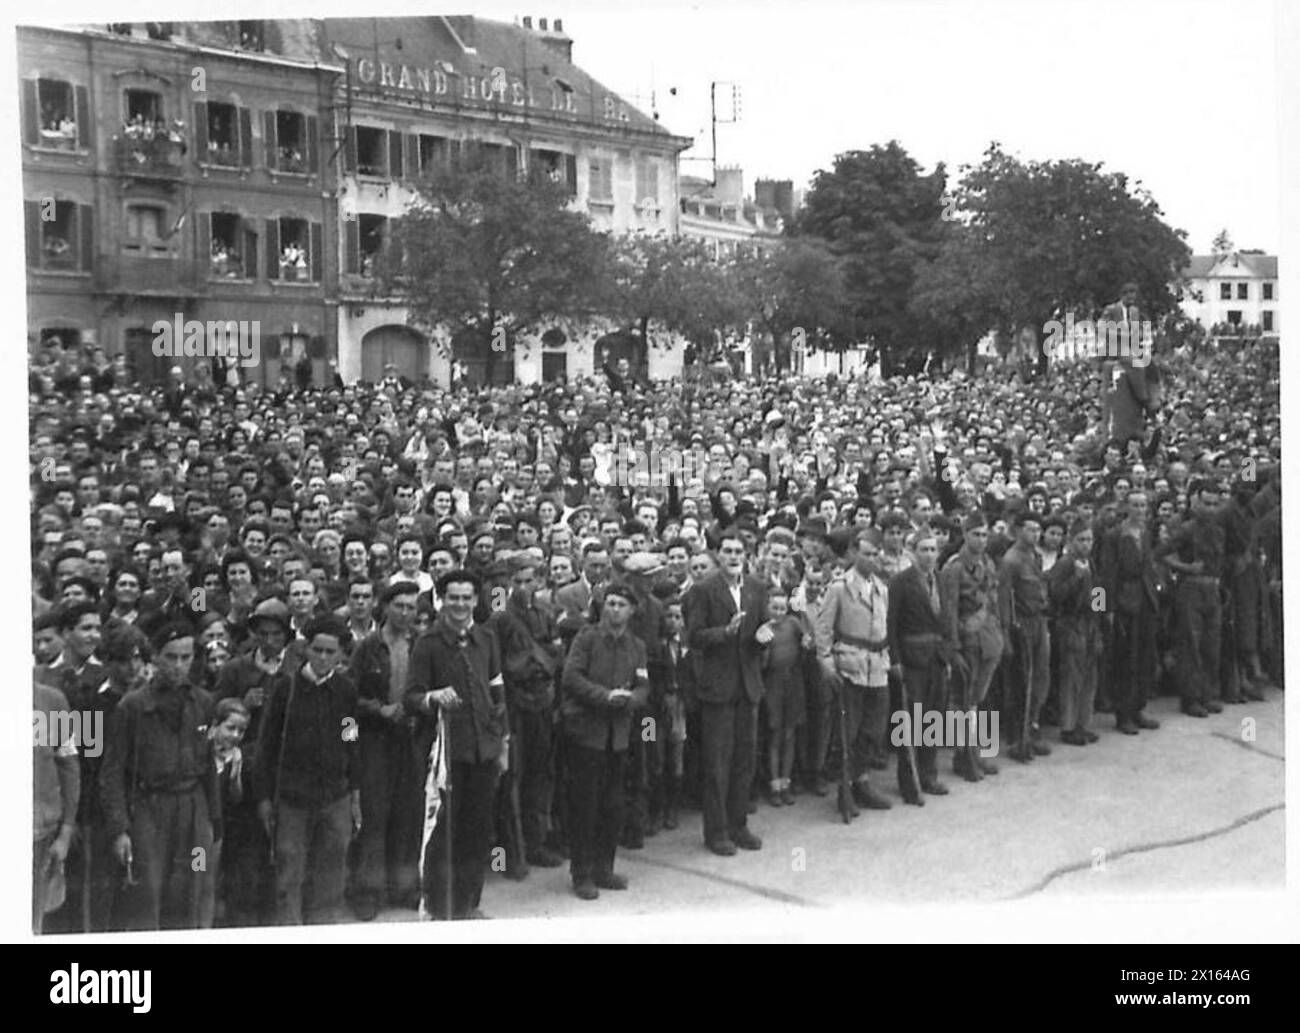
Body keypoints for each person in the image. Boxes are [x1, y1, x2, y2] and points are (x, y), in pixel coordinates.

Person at [99, 622, 220, 930]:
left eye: (186, 657)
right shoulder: (133, 706)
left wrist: (213, 820)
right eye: (171, 657)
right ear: (155, 658)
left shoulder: (203, 703)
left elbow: (209, 766)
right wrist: (120, 829)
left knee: (195, 883)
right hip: (150, 814)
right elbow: (112, 773)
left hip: (193, 811)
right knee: (149, 891)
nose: (179, 665)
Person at [405, 570, 507, 920]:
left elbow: (497, 691)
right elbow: (411, 697)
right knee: (443, 837)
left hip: (484, 751)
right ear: (441, 601)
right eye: (453, 598)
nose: (460, 605)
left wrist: (502, 744)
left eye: (466, 598)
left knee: (477, 833)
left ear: (476, 601)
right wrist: (433, 696)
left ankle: (467, 905)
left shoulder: (487, 638)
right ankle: (439, 908)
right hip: (447, 759)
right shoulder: (427, 643)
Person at [257, 615, 360, 925]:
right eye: (318, 650)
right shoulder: (285, 689)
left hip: (334, 797)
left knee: (331, 872)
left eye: (331, 652)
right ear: (306, 650)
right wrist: (264, 799)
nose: (324, 658)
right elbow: (266, 747)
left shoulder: (346, 691)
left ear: (341, 654)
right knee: (290, 870)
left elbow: (351, 741)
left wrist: (354, 796)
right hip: (292, 800)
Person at [560, 583, 650, 899]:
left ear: (631, 610)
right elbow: (571, 678)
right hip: (587, 734)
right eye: (610, 603)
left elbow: (643, 685)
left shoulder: (636, 645)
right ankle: (581, 873)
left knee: (612, 805)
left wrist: (630, 700)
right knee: (585, 805)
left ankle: (604, 868)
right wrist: (604, 696)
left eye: (621, 605)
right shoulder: (587, 638)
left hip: (619, 737)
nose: (615, 609)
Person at [685, 533, 767, 854]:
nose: (733, 556)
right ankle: (716, 832)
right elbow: (694, 637)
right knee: (717, 763)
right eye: (728, 551)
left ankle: (739, 825)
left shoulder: (756, 588)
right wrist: (724, 632)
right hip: (718, 688)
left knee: (744, 761)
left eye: (739, 551)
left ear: (746, 555)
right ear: (718, 556)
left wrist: (763, 637)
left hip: (748, 685)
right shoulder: (704, 591)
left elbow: (761, 631)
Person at [350, 581, 423, 918]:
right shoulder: (368, 647)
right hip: (375, 740)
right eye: (399, 606)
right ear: (386, 607)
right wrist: (378, 709)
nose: (405, 613)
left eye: (411, 607)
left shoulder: (419, 644)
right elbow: (350, 697)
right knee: (375, 817)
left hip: (409, 739)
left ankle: (404, 887)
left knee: (407, 815)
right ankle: (368, 891)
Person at [814, 525, 895, 817]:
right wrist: (825, 661)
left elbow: (885, 628)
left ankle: (862, 780)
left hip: (877, 665)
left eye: (877, 553)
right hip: (849, 664)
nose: (873, 558)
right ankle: (845, 788)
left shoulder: (882, 588)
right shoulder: (839, 587)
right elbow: (823, 629)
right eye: (868, 553)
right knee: (848, 732)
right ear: (854, 554)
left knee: (873, 730)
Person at [885, 532, 952, 800]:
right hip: (911, 658)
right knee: (910, 721)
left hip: (937, 657)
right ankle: (909, 781)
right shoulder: (901, 582)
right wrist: (895, 660)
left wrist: (947, 654)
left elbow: (947, 618)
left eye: (933, 549)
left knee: (933, 719)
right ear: (912, 552)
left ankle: (929, 774)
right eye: (923, 549)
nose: (928, 554)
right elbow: (891, 623)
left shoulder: (941, 580)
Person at [938, 515, 1003, 782]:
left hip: (987, 638)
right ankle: (963, 756)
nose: (981, 540)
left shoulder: (986, 562)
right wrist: (952, 648)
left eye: (984, 535)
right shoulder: (953, 568)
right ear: (964, 534)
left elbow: (994, 598)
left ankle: (975, 752)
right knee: (962, 700)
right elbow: (949, 611)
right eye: (975, 534)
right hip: (966, 641)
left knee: (977, 699)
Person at [1099, 491, 1163, 732]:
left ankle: (1138, 708)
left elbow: (1149, 565)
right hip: (1124, 598)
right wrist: (1106, 609)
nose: (1139, 509)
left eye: (1143, 505)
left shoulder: (1145, 533)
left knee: (1145, 656)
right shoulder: (1114, 535)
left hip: (1145, 597)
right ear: (1127, 507)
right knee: (1126, 658)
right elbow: (1106, 574)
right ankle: (1123, 713)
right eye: (1135, 505)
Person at [998, 512, 1052, 762]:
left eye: (1038, 529)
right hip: (1021, 625)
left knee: (1040, 678)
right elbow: (1004, 599)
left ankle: (1032, 729)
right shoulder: (1011, 560)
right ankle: (1018, 740)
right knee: (1023, 683)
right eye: (1031, 529)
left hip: (1039, 621)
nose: (1036, 534)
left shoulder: (1036, 556)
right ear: (1018, 530)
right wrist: (1007, 634)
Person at [1048, 520, 1103, 745]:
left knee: (1090, 676)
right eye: (1081, 540)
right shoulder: (1065, 564)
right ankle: (1068, 726)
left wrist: (1100, 621)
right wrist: (1076, 579)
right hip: (1070, 624)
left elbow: (1099, 590)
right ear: (1070, 541)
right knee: (1071, 676)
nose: (1086, 544)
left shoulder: (1090, 562)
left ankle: (1083, 722)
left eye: (1089, 540)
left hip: (1090, 623)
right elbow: (1056, 594)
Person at [33, 678, 80, 933]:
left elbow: (69, 766)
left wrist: (65, 833)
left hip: (40, 835)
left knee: (33, 922)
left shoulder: (53, 701)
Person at [757, 586, 809, 807]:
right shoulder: (764, 630)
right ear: (767, 607)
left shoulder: (793, 624)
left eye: (782, 608)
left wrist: (807, 642)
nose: (778, 612)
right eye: (774, 608)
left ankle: (786, 783)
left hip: (793, 683)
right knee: (775, 735)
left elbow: (806, 641)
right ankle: (774, 784)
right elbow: (761, 663)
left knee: (790, 734)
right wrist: (764, 647)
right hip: (773, 685)